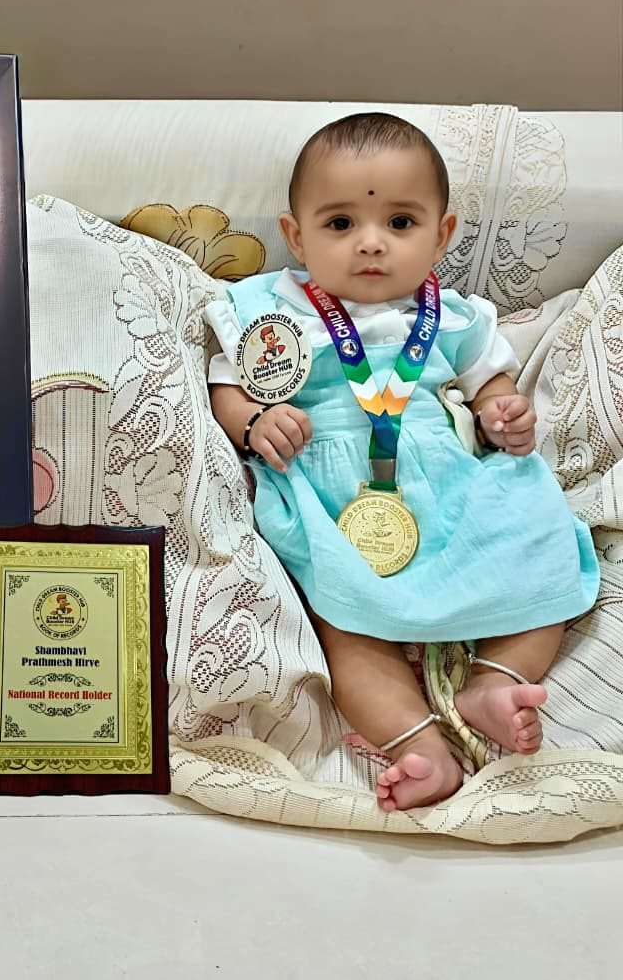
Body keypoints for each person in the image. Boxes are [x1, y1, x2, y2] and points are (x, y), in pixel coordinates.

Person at [205, 112, 599, 811]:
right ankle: (418, 745)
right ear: (295, 235)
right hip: (330, 487)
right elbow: (226, 387)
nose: (370, 242)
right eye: (339, 223)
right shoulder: (271, 310)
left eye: (400, 222)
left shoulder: (454, 317)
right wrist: (256, 421)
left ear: (441, 235)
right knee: (347, 625)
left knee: (549, 555)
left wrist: (502, 412)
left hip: (448, 479)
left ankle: (493, 682)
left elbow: (492, 384)